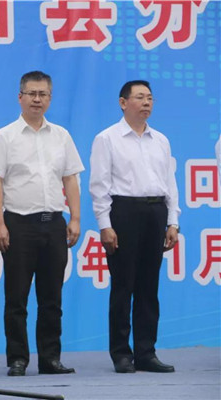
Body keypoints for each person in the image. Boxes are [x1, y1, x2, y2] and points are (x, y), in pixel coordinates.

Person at [0, 71, 83, 377]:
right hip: (18, 224)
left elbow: (70, 178)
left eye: (43, 94)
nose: (37, 99)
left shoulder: (61, 135)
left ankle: (50, 358)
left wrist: (75, 218)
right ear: (20, 97)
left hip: (54, 223)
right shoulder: (5, 136)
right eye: (32, 94)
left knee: (51, 298)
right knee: (16, 298)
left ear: (50, 99)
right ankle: (17, 359)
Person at [89, 80, 180, 374]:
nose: (146, 103)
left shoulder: (161, 140)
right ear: (123, 102)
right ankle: (121, 353)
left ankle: (146, 352)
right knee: (123, 286)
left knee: (148, 287)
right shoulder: (107, 138)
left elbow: (170, 184)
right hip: (124, 212)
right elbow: (99, 186)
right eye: (140, 97)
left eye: (150, 98)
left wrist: (173, 221)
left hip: (156, 211)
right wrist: (105, 224)